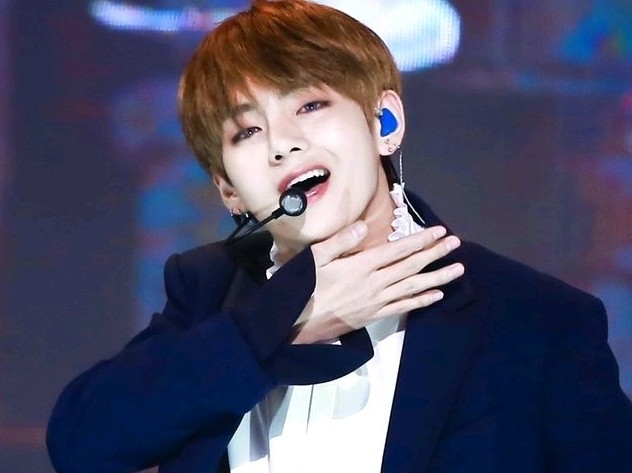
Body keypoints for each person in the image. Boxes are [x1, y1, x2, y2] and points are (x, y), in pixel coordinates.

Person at [47, 1, 632, 472]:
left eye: (310, 105)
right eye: (246, 131)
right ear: (228, 190)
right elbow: (82, 444)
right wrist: (282, 327)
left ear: (384, 123)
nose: (282, 143)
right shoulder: (207, 294)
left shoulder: (535, 319)